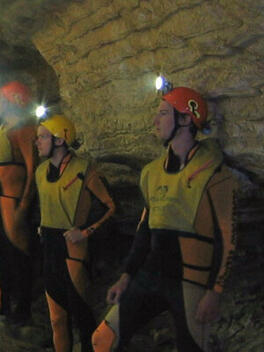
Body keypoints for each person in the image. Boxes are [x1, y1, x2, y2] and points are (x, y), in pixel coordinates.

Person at [92, 87, 237, 352]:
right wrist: (126, 276)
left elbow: (227, 238)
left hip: (190, 280)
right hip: (150, 274)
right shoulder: (151, 173)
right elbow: (144, 230)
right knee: (102, 339)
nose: (155, 121)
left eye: (162, 113)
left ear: (185, 119)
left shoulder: (215, 174)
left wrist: (214, 292)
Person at [36, 114, 116, 352]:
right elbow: (44, 205)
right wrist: (42, 224)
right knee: (57, 319)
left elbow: (109, 207)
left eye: (42, 137)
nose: (37, 142)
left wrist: (85, 231)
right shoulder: (40, 172)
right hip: (49, 249)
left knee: (81, 315)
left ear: (60, 140)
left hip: (73, 250)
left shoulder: (83, 170)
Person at [0, 81, 39, 324]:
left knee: (18, 252)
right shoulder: (6, 126)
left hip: (11, 199)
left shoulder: (24, 129)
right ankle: (1, 301)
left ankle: (23, 307)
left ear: (12, 101)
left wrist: (24, 205)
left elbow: (32, 167)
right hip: (0, 198)